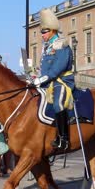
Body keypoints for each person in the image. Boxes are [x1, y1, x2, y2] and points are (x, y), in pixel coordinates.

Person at [32, 8, 74, 150]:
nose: (42, 35)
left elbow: (58, 68)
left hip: (62, 81)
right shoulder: (47, 47)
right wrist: (36, 76)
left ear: (52, 31)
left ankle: (64, 138)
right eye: (41, 32)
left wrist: (43, 78)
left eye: (44, 32)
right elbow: (45, 67)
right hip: (48, 82)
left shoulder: (62, 44)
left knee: (58, 104)